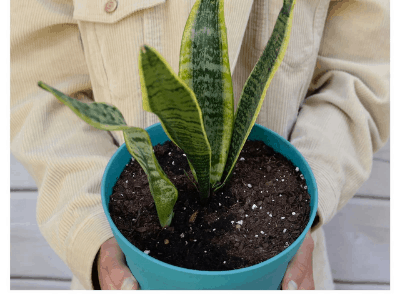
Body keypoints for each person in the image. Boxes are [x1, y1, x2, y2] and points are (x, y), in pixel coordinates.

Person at [10, 0, 389, 290]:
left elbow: (363, 73)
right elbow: (36, 88)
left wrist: (315, 192)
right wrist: (93, 236)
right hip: (125, 267)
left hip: (289, 271)